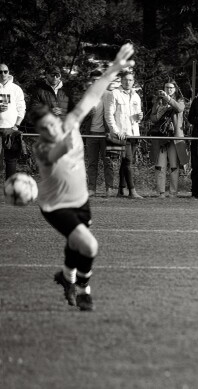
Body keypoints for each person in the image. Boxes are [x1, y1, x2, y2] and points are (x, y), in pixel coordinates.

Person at [37, 43, 136, 311]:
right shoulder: (44, 148)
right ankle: (84, 290)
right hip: (55, 206)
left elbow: (93, 95)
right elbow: (59, 151)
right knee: (89, 245)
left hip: (80, 200)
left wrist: (114, 68)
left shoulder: (70, 124)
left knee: (75, 243)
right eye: (45, 126)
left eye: (52, 122)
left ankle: (67, 279)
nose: (50, 127)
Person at [105, 71, 143, 199]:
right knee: (128, 161)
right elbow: (109, 115)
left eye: (130, 80)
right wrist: (116, 132)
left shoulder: (136, 96)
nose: (128, 82)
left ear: (133, 81)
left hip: (134, 134)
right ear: (121, 81)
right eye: (126, 80)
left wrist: (139, 117)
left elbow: (137, 117)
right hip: (122, 135)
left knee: (125, 162)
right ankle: (132, 191)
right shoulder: (114, 94)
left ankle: (121, 190)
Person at [148, 80, 186, 197]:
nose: (168, 90)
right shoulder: (158, 100)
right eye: (166, 87)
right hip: (160, 137)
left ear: (175, 89)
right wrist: (159, 112)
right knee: (160, 165)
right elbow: (153, 118)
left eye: (171, 88)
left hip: (174, 137)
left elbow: (179, 108)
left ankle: (173, 192)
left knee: (174, 166)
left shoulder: (180, 100)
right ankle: (161, 192)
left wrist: (168, 99)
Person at [0, 62, 26, 179]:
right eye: (0, 72)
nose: (3, 74)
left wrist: (17, 125)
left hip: (10, 128)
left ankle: (10, 188)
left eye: (5, 71)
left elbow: (22, 108)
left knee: (11, 160)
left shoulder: (16, 89)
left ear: (9, 72)